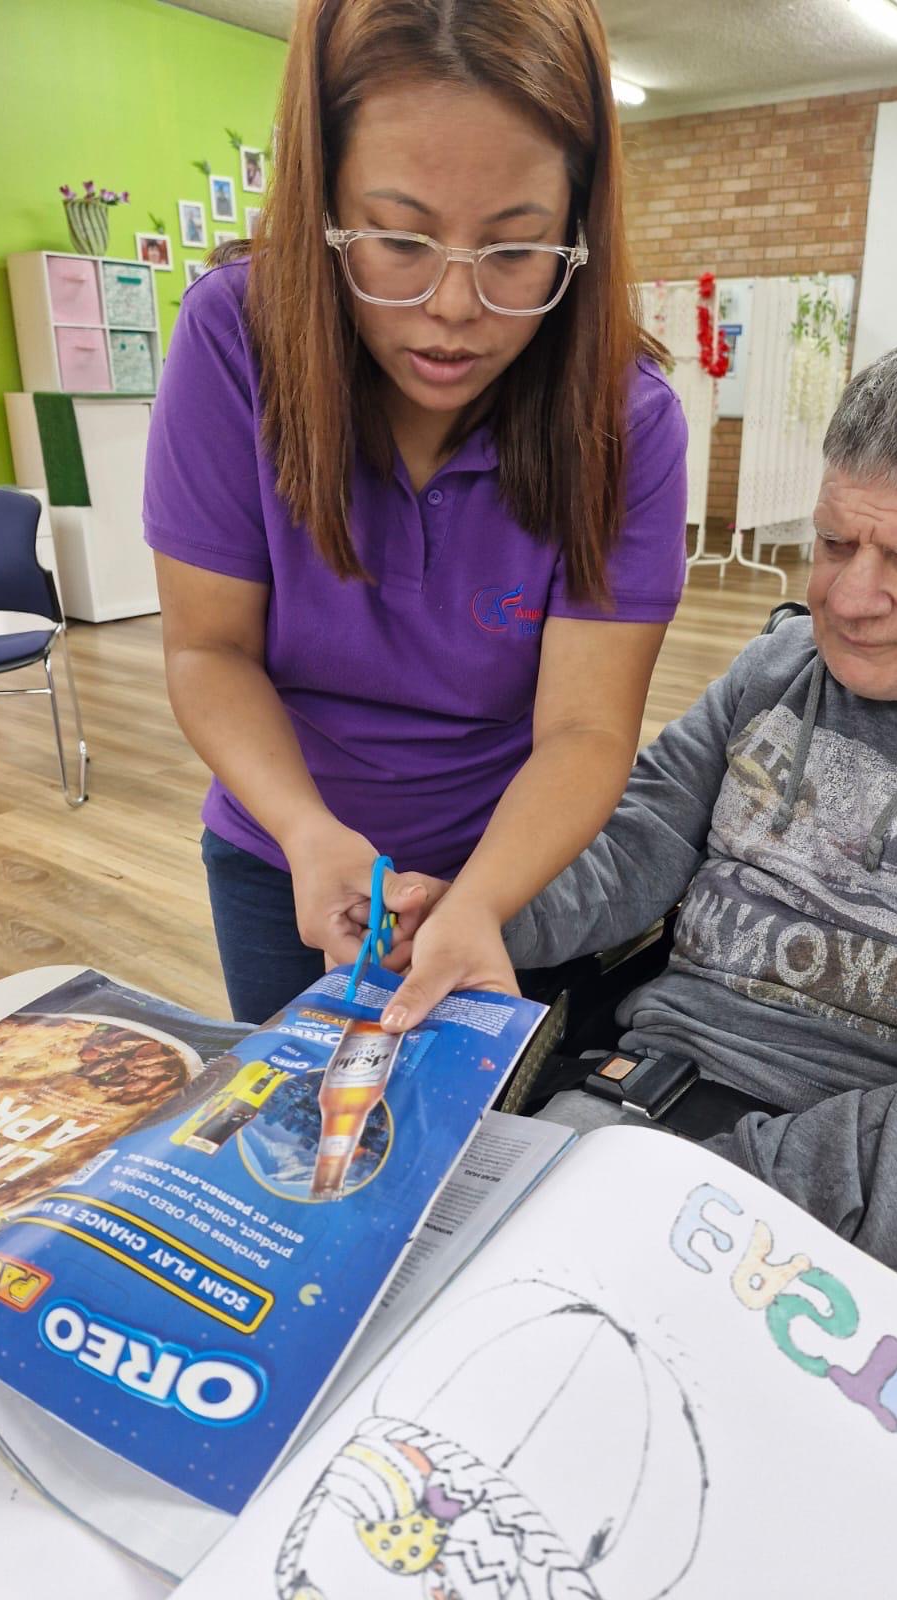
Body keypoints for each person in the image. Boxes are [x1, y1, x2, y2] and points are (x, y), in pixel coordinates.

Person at [501, 322, 897, 1387]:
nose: (846, 598)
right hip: (658, 1107)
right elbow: (635, 839)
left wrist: (739, 1187)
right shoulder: (779, 665)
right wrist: (478, 907)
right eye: (835, 542)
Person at [143, 0, 688, 1028]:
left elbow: (585, 727)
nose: (453, 308)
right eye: (398, 239)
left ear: (577, 232)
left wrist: (480, 900)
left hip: (513, 867)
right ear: (323, 204)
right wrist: (306, 830)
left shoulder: (626, 419)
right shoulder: (233, 338)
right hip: (284, 854)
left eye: (516, 250)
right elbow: (209, 649)